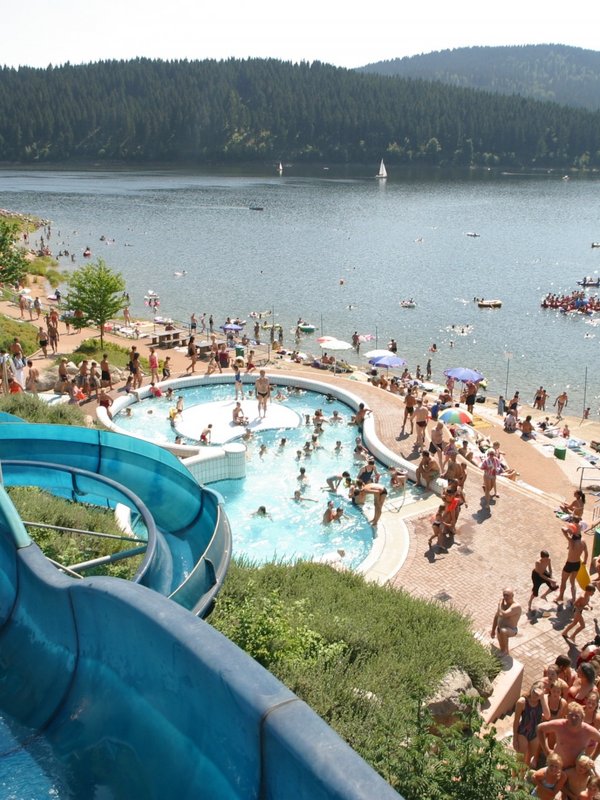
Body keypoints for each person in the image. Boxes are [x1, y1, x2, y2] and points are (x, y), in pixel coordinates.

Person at [538, 702, 600, 769]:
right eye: (571, 715)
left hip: (575, 769)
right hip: (556, 766)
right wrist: (546, 750)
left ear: (582, 718)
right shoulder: (559, 725)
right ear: (566, 716)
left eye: (577, 716)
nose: (573, 718)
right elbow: (539, 728)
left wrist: (592, 758)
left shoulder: (588, 731)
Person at [513, 680, 549, 769]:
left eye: (538, 694)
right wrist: (515, 738)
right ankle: (515, 776)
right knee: (520, 757)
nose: (535, 695)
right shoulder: (522, 702)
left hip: (535, 733)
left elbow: (547, 716)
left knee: (529, 758)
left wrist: (542, 698)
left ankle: (522, 776)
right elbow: (516, 720)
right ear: (531, 688)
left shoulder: (542, 701)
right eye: (534, 692)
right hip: (523, 732)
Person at [555, 521, 588, 606]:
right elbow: (586, 553)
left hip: (569, 564)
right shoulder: (583, 541)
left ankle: (560, 596)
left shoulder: (571, 541)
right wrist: (584, 561)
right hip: (577, 564)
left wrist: (569, 530)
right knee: (572, 582)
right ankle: (573, 599)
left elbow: (562, 529)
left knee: (563, 581)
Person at [490, 588, 522, 655]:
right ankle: (505, 652)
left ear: (512, 596)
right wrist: (493, 630)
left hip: (511, 630)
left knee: (503, 631)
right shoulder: (503, 606)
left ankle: (505, 651)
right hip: (500, 629)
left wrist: (499, 605)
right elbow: (496, 617)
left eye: (507, 595)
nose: (505, 597)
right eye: (504, 595)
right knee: (502, 648)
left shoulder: (516, 606)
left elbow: (503, 614)